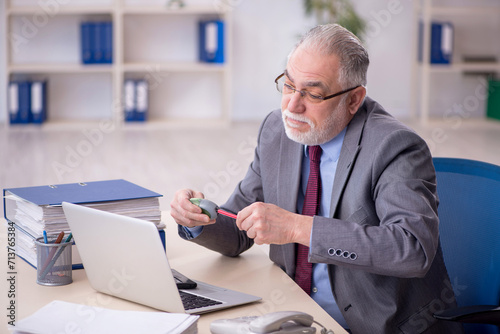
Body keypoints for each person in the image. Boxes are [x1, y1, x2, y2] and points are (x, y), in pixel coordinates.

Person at [170, 24, 463, 334]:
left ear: (353, 100)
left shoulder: (395, 146)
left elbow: (411, 249)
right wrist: (199, 219)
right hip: (295, 315)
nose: (292, 105)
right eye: (288, 85)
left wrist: (298, 227)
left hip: (374, 326)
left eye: (313, 93)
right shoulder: (277, 131)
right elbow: (239, 229)